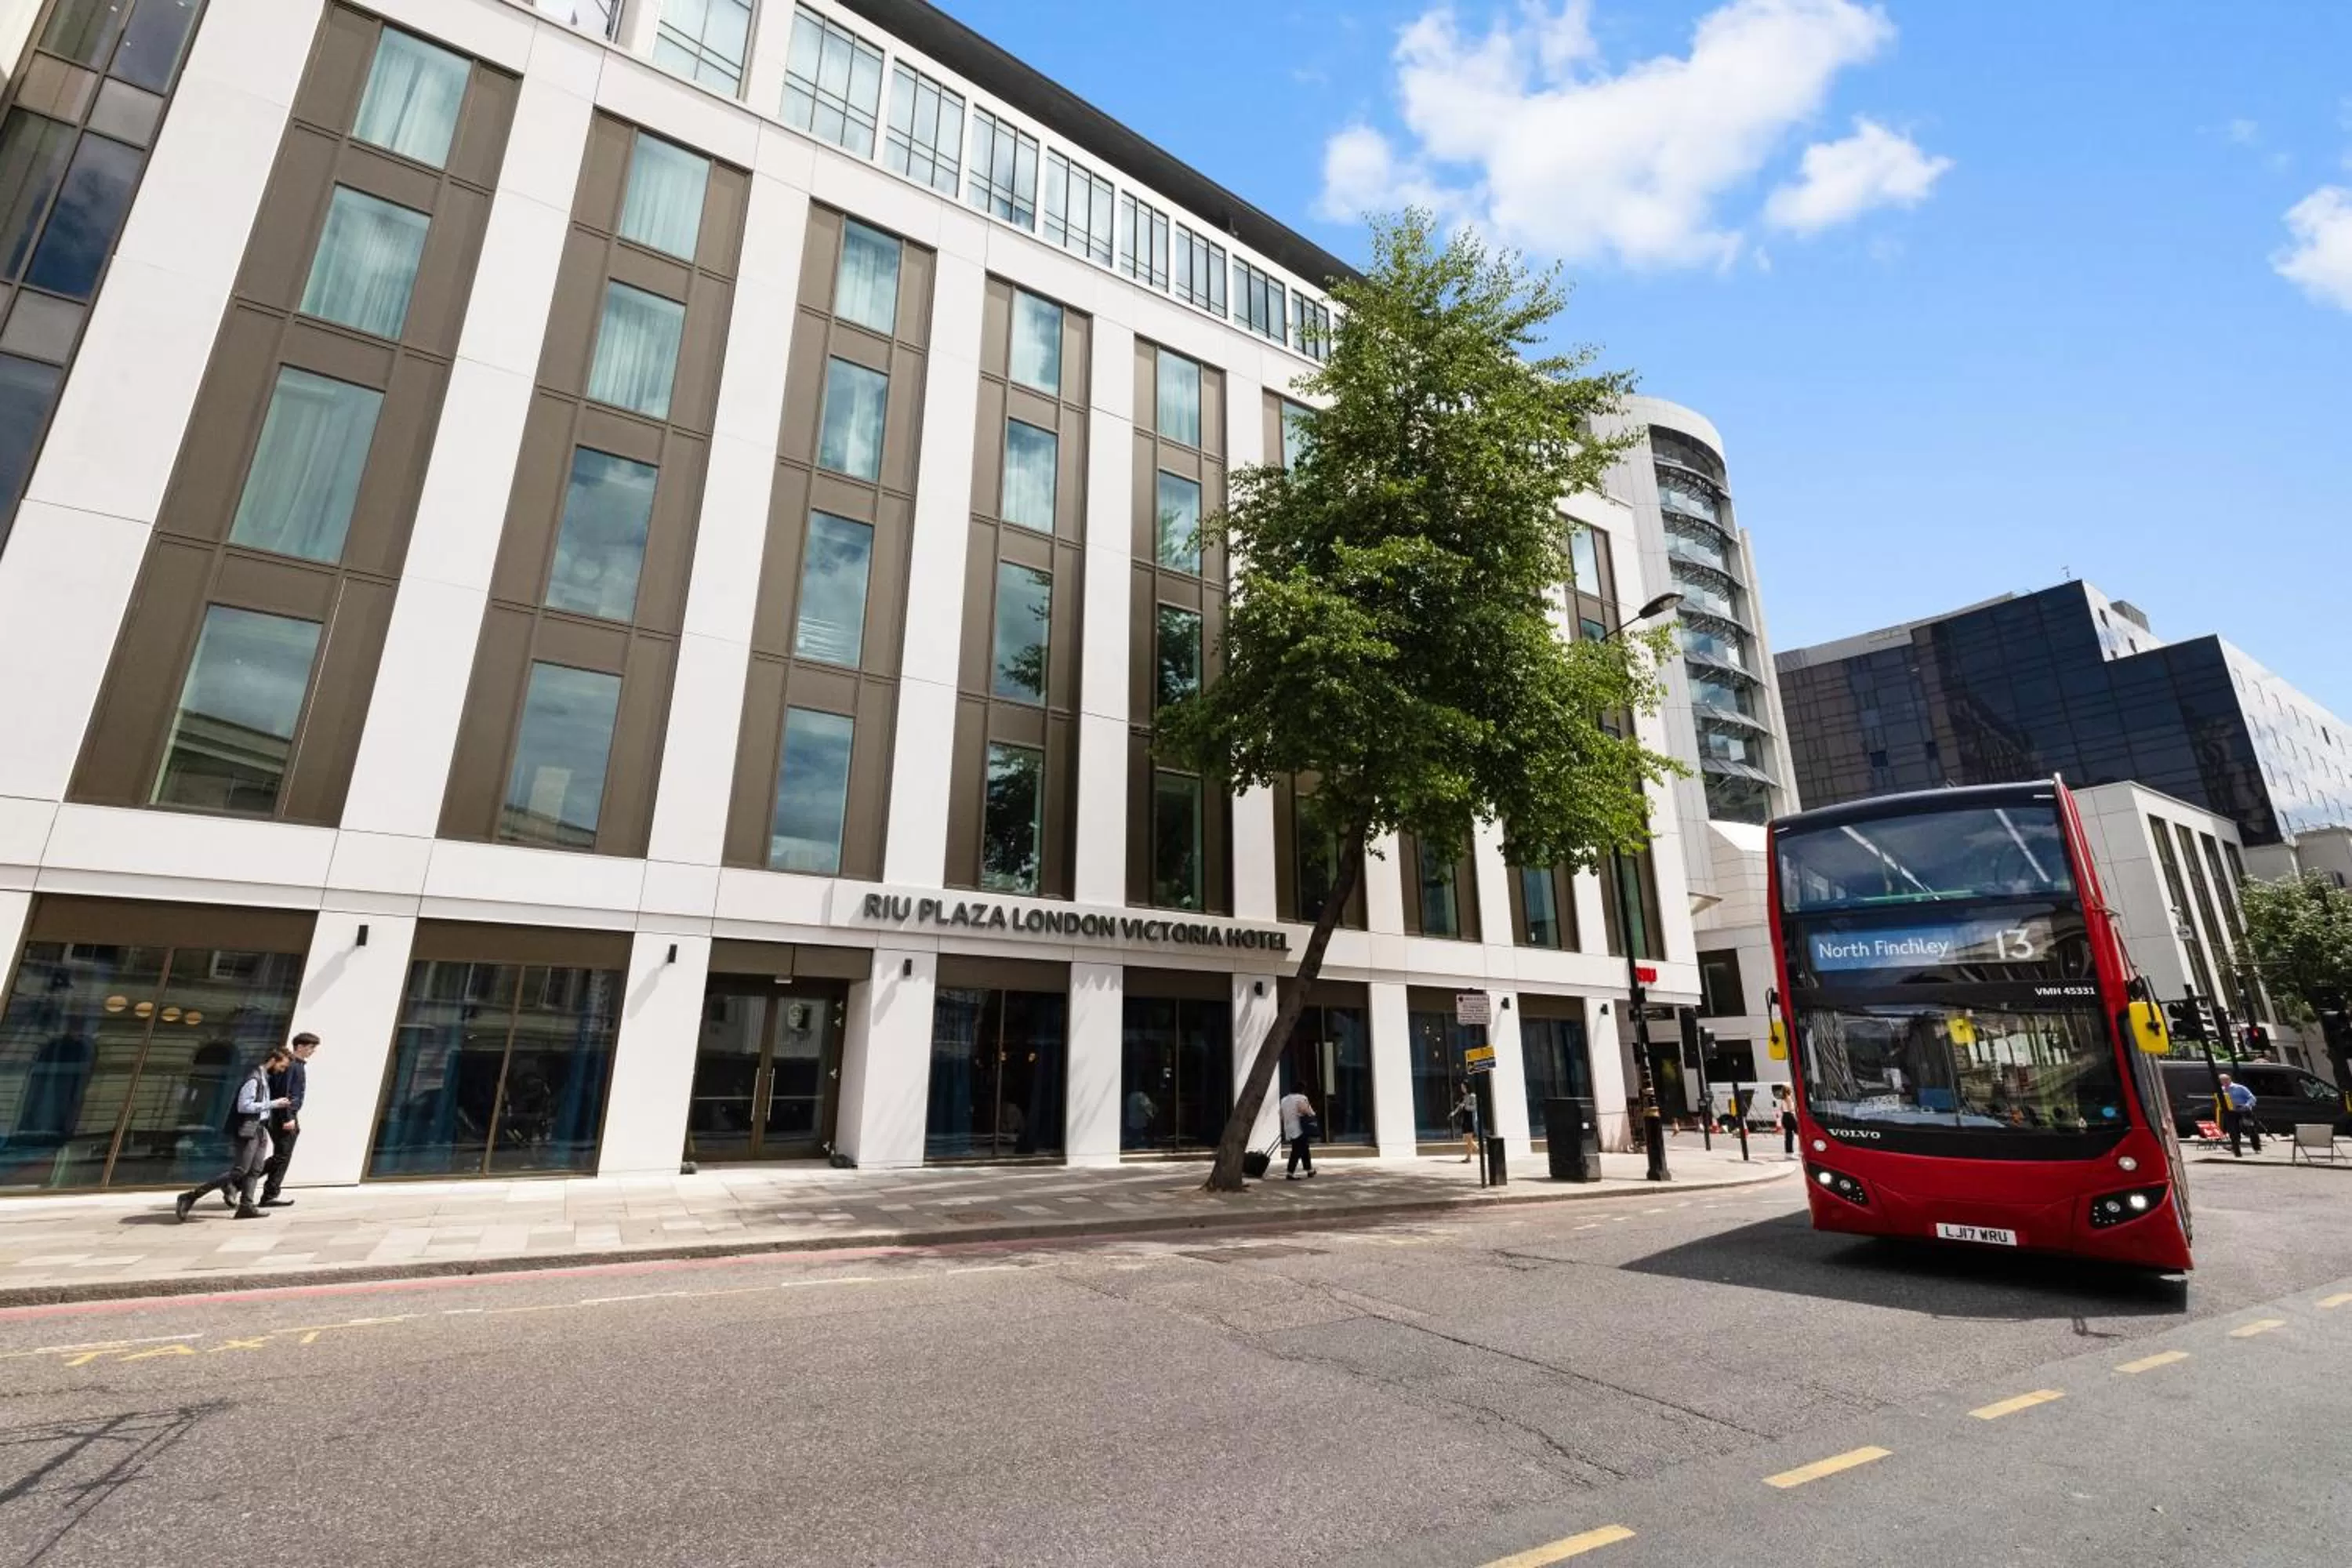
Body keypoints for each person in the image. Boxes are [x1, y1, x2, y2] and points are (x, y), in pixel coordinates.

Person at [176, 1047, 292, 1221]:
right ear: (273, 1060)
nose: (282, 1070)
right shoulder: (253, 1079)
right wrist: (273, 1104)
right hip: (248, 1130)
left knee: (255, 1170)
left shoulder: (264, 1078)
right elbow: (244, 1106)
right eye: (282, 1066)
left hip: (260, 1129)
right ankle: (191, 1196)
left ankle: (246, 1207)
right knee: (240, 1171)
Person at [256, 1031, 319, 1207]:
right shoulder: (291, 1065)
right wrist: (288, 1118)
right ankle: (238, 1184)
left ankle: (269, 1195)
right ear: (299, 1046)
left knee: (282, 1156)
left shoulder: (296, 1065)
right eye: (310, 1048)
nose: (312, 1051)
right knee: (282, 1157)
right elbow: (284, 1093)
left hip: (287, 1115)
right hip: (283, 1116)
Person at [1277, 1086, 1317, 1179]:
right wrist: (1312, 1115)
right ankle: (1290, 1172)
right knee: (1297, 1150)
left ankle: (1310, 1170)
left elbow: (1281, 1114)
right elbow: (1305, 1110)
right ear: (1302, 1090)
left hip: (1289, 1127)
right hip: (1300, 1128)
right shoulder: (1302, 1098)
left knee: (1304, 1148)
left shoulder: (1284, 1099)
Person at [2218, 1073, 2262, 1156]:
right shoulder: (2222, 1090)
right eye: (2222, 1081)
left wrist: (2247, 1105)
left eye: (2226, 1080)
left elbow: (2252, 1098)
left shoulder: (2240, 1088)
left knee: (2250, 1129)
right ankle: (2235, 1146)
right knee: (2233, 1130)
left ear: (2230, 1079)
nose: (2224, 1082)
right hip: (2232, 1112)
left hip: (2244, 1111)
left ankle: (2257, 1147)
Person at [1454, 1086, 1479, 1163]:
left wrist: (1465, 1106)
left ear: (1467, 1087)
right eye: (1461, 1087)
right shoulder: (1464, 1096)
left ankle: (1468, 1158)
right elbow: (1460, 1106)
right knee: (1466, 1138)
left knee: (1469, 1140)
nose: (1462, 1089)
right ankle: (1476, 1148)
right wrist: (1454, 1113)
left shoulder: (1473, 1096)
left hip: (1470, 1118)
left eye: (1463, 1087)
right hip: (1465, 1118)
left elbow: (1474, 1107)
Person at [1775, 1084, 1798, 1157]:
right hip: (1790, 1116)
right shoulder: (1789, 1098)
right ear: (1789, 1091)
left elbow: (1782, 1109)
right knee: (1798, 1131)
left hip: (1785, 1116)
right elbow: (1790, 1108)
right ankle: (1801, 1149)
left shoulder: (1783, 1099)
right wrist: (1796, 1109)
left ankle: (1789, 1151)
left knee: (1788, 1134)